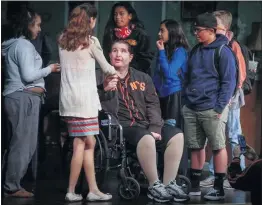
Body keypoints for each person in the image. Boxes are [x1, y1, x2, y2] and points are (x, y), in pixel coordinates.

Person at [98, 39, 190, 203]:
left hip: (145, 124)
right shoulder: (101, 77)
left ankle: (168, 184)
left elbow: (153, 104)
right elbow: (94, 103)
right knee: (145, 136)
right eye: (114, 50)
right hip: (121, 127)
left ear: (131, 57)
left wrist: (155, 126)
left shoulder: (143, 78)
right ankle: (154, 185)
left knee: (176, 135)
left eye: (123, 51)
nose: (118, 54)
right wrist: (103, 89)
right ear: (109, 55)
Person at [57, 3, 116, 202]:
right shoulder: (91, 42)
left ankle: (93, 189)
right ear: (90, 20)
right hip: (85, 102)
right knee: (81, 144)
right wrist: (117, 75)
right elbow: (107, 67)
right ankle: (71, 190)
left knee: (89, 142)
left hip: (69, 101)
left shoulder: (62, 41)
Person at [2, 7, 60, 197]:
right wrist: (49, 69)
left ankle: (11, 183)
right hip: (23, 98)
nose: (39, 29)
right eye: (37, 25)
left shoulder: (13, 45)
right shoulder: (24, 46)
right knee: (22, 144)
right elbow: (28, 75)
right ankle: (12, 186)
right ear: (27, 25)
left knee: (19, 142)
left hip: (20, 97)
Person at [182, 12, 237, 200]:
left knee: (218, 147)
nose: (195, 33)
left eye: (199, 30)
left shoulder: (223, 51)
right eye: (194, 30)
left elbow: (229, 82)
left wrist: (219, 107)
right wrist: (186, 101)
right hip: (192, 106)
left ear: (212, 31)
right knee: (195, 147)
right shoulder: (195, 50)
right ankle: (194, 187)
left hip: (213, 108)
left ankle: (219, 188)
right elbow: (187, 76)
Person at [200, 10, 247, 189]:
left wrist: (227, 97)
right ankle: (215, 174)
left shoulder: (233, 46)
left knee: (235, 135)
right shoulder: (212, 45)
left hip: (231, 99)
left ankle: (238, 174)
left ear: (225, 28)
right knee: (217, 137)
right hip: (217, 98)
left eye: (216, 25)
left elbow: (240, 75)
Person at [153, 19, 189, 128]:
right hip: (161, 94)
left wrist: (161, 52)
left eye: (162, 31)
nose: (159, 34)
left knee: (172, 129)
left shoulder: (180, 51)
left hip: (174, 95)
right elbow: (157, 73)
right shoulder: (166, 49)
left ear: (172, 32)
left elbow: (169, 73)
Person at [103, 2, 154, 74]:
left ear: (130, 16)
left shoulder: (140, 34)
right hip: (114, 74)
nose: (117, 17)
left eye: (121, 14)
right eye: (115, 14)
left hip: (137, 75)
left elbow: (146, 58)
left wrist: (129, 71)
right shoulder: (110, 34)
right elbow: (106, 56)